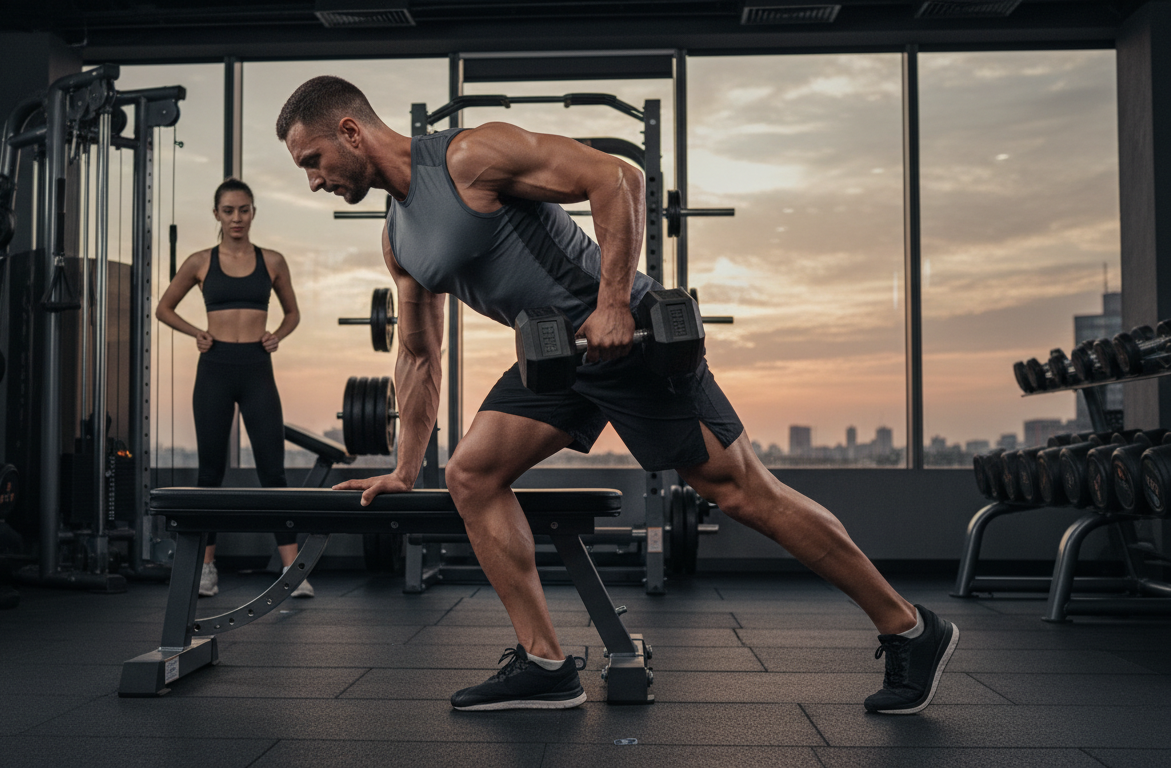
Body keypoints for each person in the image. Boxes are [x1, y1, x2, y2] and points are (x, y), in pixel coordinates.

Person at [276, 76, 958, 714]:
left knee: (742, 492)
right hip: (552, 358)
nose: (313, 181)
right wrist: (403, 467)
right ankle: (545, 666)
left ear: (351, 131)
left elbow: (614, 176)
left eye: (313, 160)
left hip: (627, 342)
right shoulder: (397, 239)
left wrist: (612, 306)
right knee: (471, 474)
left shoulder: (470, 156)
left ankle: (909, 628)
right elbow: (419, 355)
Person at [156, 177, 312, 599]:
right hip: (215, 368)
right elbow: (163, 308)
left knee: (272, 471)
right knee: (210, 472)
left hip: (257, 367)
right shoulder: (199, 262)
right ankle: (206, 570)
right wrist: (196, 333)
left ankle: (291, 571)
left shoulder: (273, 260)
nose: (236, 218)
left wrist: (278, 333)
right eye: (228, 211)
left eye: (244, 210)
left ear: (253, 213)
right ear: (217, 215)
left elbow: (293, 312)